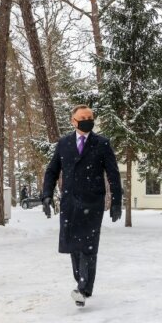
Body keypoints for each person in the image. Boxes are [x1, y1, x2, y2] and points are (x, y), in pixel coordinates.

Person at [41, 105, 123, 307]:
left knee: (88, 246)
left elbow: (113, 175)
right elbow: (52, 171)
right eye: (82, 117)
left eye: (90, 117)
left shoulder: (102, 144)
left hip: (93, 203)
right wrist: (46, 196)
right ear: (73, 121)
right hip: (69, 203)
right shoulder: (64, 144)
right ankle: (81, 282)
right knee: (73, 247)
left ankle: (83, 288)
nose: (87, 120)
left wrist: (116, 203)